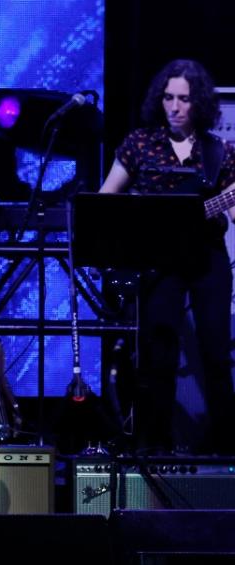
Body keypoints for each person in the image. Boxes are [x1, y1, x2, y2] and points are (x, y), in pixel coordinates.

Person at [100, 58, 235, 454]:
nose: (174, 107)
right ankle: (154, 444)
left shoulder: (218, 151)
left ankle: (225, 446)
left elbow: (230, 208)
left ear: (200, 104)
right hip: (158, 260)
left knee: (214, 351)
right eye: (169, 98)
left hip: (206, 256)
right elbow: (108, 198)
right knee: (158, 352)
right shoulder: (140, 144)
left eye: (184, 100)